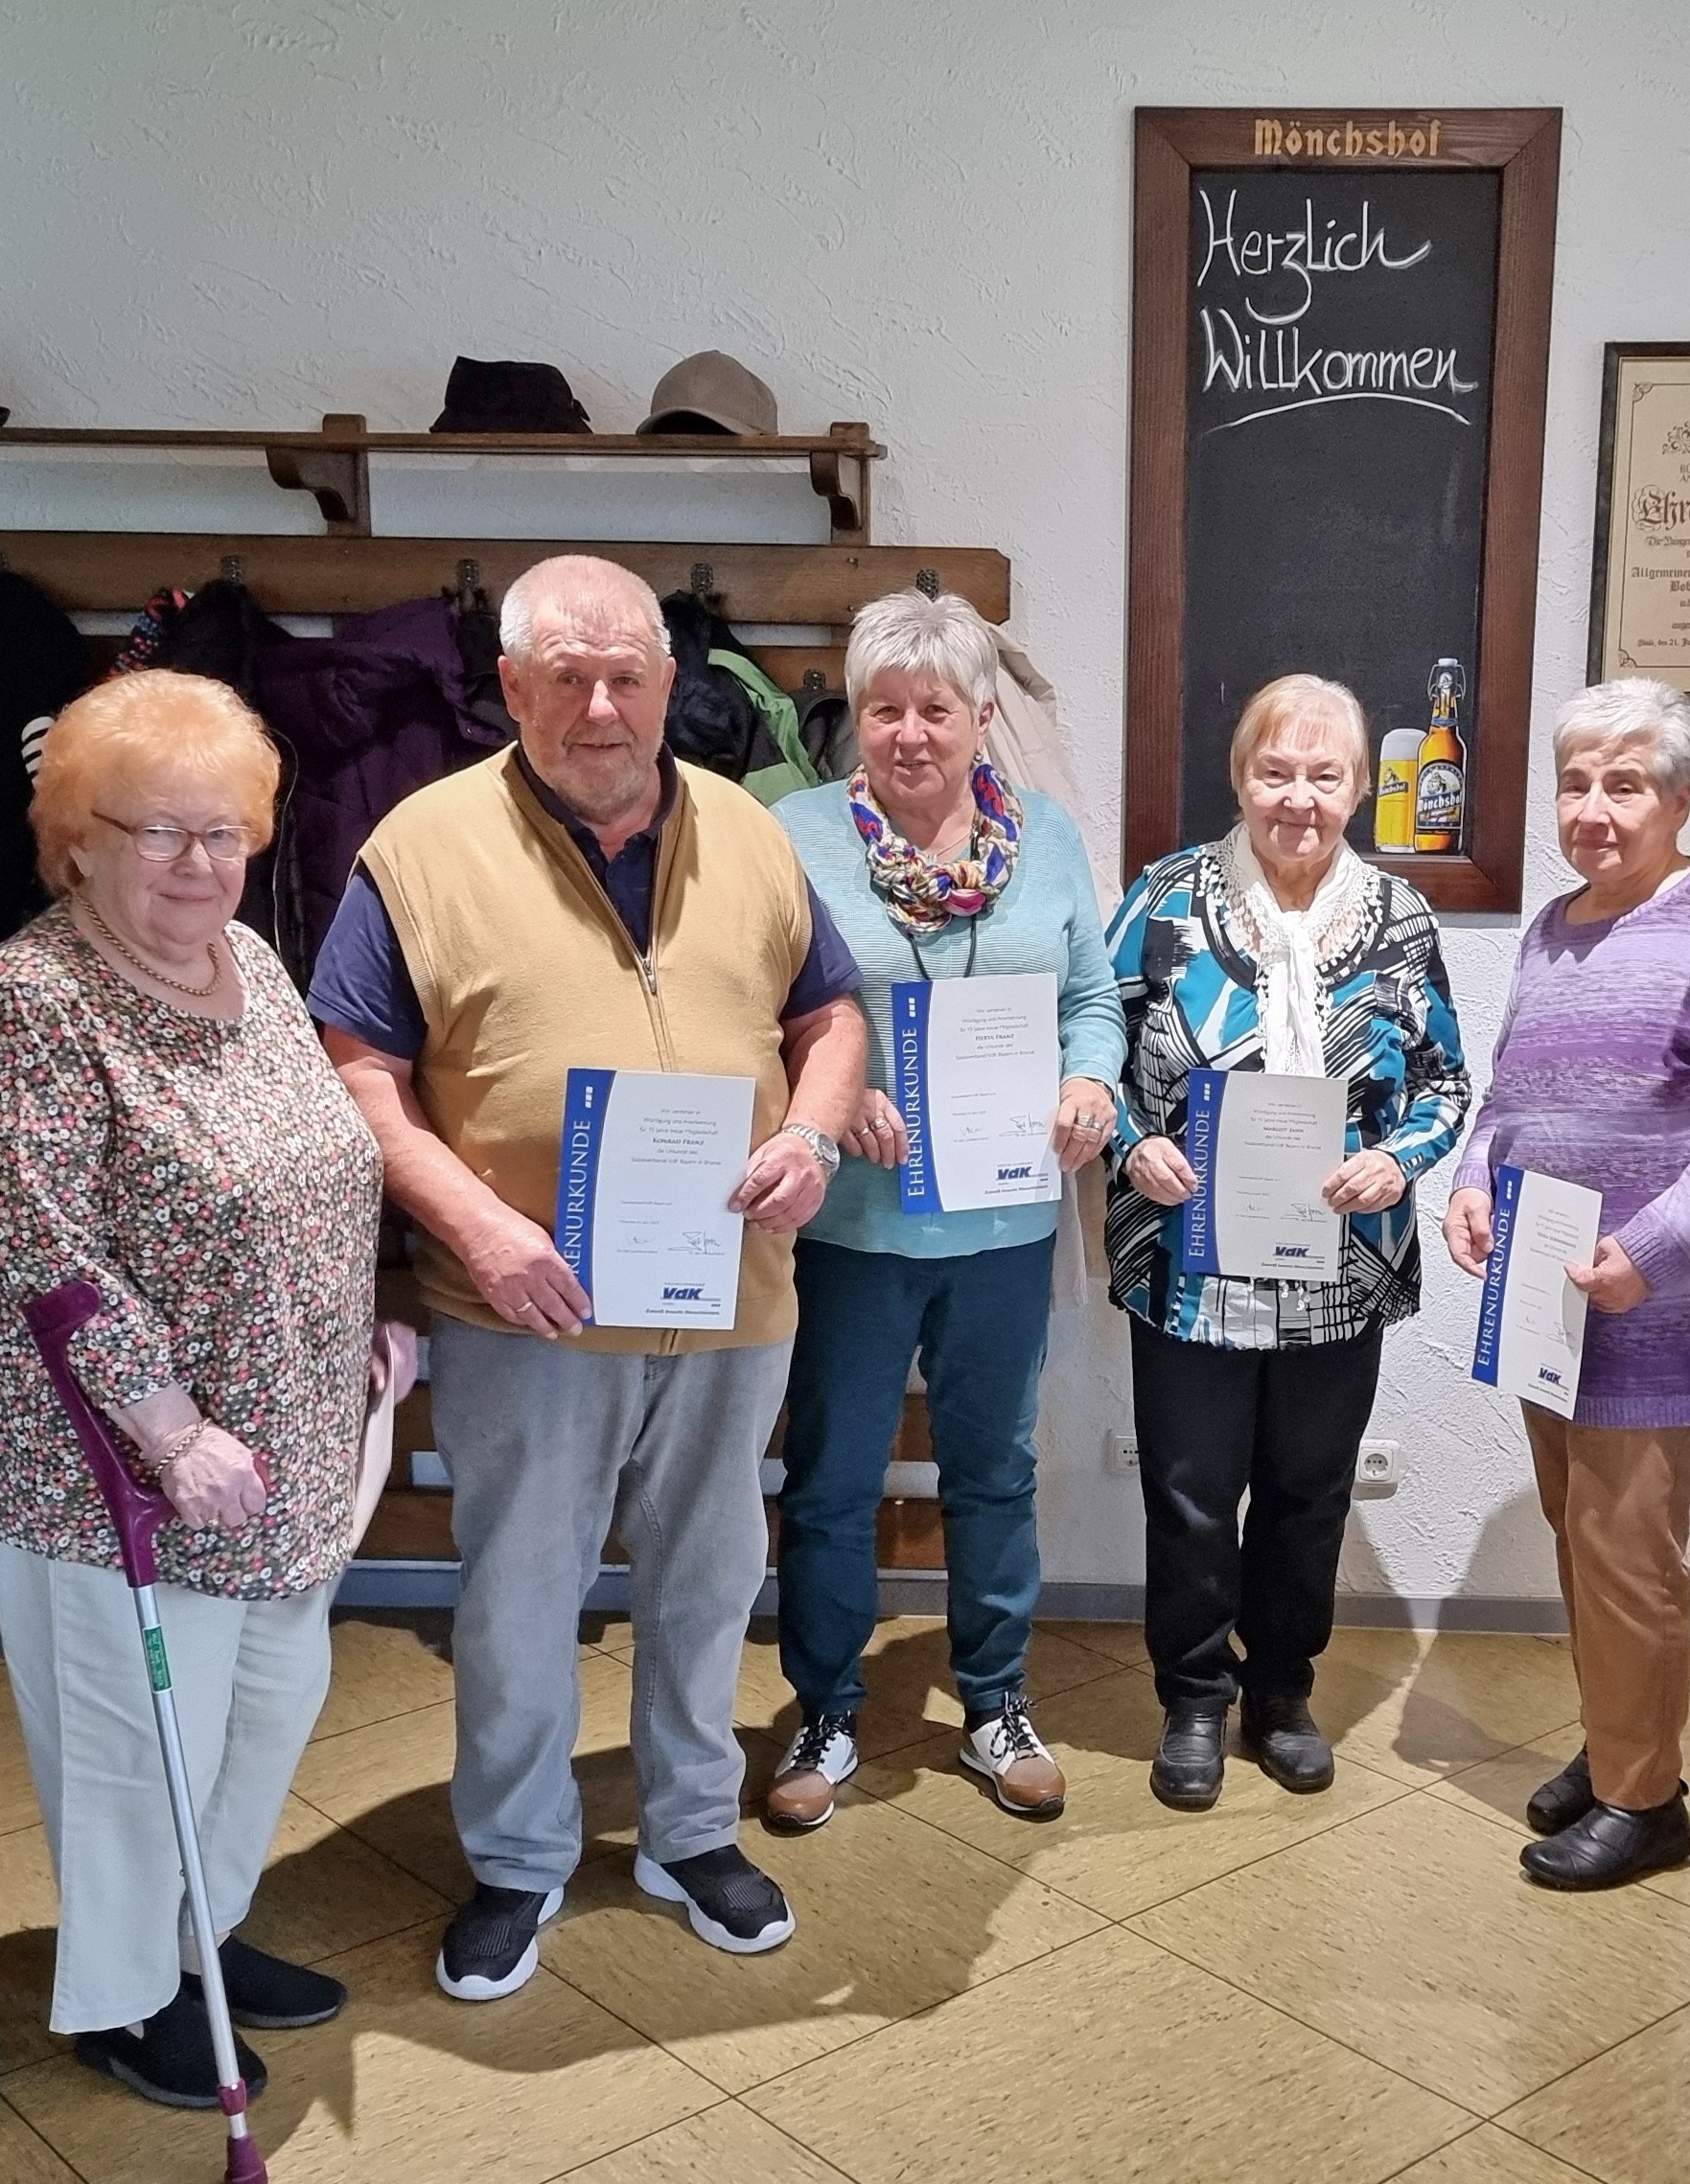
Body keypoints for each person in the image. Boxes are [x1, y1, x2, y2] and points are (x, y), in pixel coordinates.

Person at [312, 554, 866, 2001]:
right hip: (522, 1302)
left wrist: (811, 1129)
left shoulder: (750, 830)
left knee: (706, 1574)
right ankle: (514, 1857)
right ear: (510, 686)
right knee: (516, 1591)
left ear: (672, 684)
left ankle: (688, 1831)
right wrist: (475, 1225)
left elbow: (831, 1012)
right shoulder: (418, 847)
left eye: (628, 673)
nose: (602, 703)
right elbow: (354, 1066)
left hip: (728, 1295)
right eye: (567, 674)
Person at [0, 670, 414, 2109]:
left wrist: (359, 1332)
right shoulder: (33, 1001)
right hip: (130, 1474)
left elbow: (311, 1169)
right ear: (75, 836)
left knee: (267, 1705)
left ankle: (194, 1935)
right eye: (156, 831)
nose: (198, 865)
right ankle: (121, 1995)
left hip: (287, 1447)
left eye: (226, 832)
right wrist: (169, 1429)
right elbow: (39, 1241)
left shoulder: (254, 964)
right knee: (137, 1750)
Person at [1443, 679, 1690, 1890]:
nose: (1592, 808)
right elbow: (1508, 1089)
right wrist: (1467, 1177)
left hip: (1659, 1312)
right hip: (1546, 1296)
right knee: (1581, 1534)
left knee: (1627, 1549)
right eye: (1574, 781)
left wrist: (1647, 1250)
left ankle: (1645, 1800)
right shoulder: (1554, 922)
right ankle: (1617, 1743)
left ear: (1680, 795)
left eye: (1624, 782)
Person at [760, 590, 1124, 1831]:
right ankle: (821, 1706)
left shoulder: (1051, 840)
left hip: (1002, 1226)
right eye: (882, 707)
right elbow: (748, 1006)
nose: (908, 731)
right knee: (829, 1477)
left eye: (934, 707)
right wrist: (830, 1086)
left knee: (992, 1471)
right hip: (852, 1228)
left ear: (979, 716)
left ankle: (992, 1699)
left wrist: (1089, 1077)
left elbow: (1091, 994)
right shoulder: (790, 833)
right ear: (851, 716)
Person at [1106, 673, 1471, 1809]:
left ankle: (1282, 1690)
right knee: (1190, 1488)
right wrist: (1128, 1144)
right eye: (1276, 771)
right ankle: (1194, 1696)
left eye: (1324, 774)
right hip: (1186, 1258)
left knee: (1309, 1487)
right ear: (1239, 776)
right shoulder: (1163, 898)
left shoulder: (1400, 918)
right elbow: (1089, 1052)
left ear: (1361, 786)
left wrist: (1398, 1158)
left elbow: (1446, 1081)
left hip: (1341, 1264)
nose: (1298, 797)